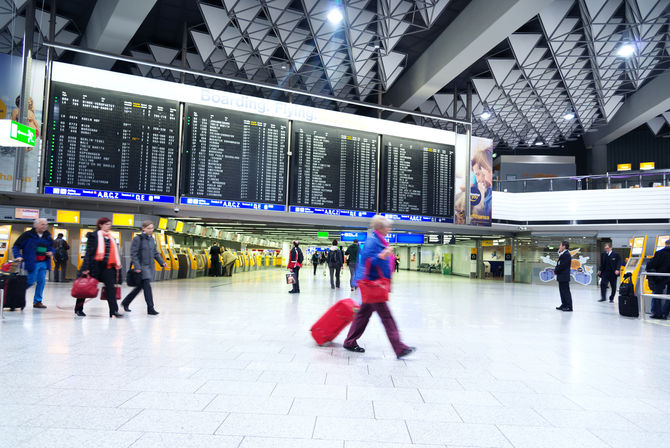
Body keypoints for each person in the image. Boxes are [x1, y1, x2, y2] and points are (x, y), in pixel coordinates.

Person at [343, 215, 414, 359]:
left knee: (363, 314)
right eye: (387, 226)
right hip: (372, 284)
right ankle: (399, 348)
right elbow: (367, 261)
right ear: (380, 228)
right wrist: (383, 255)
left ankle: (350, 341)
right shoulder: (372, 241)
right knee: (387, 317)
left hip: (374, 284)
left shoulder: (379, 240)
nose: (389, 229)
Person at [78, 217, 123, 318]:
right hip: (94, 266)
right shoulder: (93, 236)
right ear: (100, 225)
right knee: (86, 287)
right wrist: (86, 267)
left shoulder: (111, 238)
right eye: (107, 224)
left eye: (110, 224)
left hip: (108, 267)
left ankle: (114, 311)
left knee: (110, 289)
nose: (109, 226)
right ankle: (78, 309)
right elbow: (88, 253)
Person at [121, 221, 165, 315]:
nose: (151, 230)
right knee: (147, 287)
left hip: (149, 267)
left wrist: (162, 262)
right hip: (142, 267)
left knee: (139, 287)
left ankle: (125, 302)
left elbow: (155, 253)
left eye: (152, 228)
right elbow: (134, 253)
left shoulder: (152, 239)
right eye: (148, 228)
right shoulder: (138, 239)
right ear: (143, 228)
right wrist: (137, 266)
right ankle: (150, 308)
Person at [12, 218, 54, 308]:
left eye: (46, 224)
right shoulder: (27, 235)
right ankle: (15, 296)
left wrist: (51, 252)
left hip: (43, 262)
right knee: (30, 281)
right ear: (36, 225)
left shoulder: (47, 236)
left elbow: (51, 247)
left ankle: (37, 301)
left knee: (41, 282)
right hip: (32, 262)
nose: (45, 226)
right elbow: (16, 246)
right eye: (42, 224)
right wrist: (18, 256)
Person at [649, 239, 670, 319]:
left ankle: (657, 313)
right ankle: (665, 313)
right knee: (669, 296)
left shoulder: (659, 253)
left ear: (665, 244)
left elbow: (652, 265)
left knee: (657, 294)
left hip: (660, 277)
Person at [555, 241, 573, 312]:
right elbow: (559, 264)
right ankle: (564, 304)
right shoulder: (563, 254)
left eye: (560, 245)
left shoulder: (566, 254)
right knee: (562, 291)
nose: (559, 247)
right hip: (561, 276)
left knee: (565, 292)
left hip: (564, 276)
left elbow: (562, 265)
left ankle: (569, 306)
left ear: (564, 246)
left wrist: (556, 271)